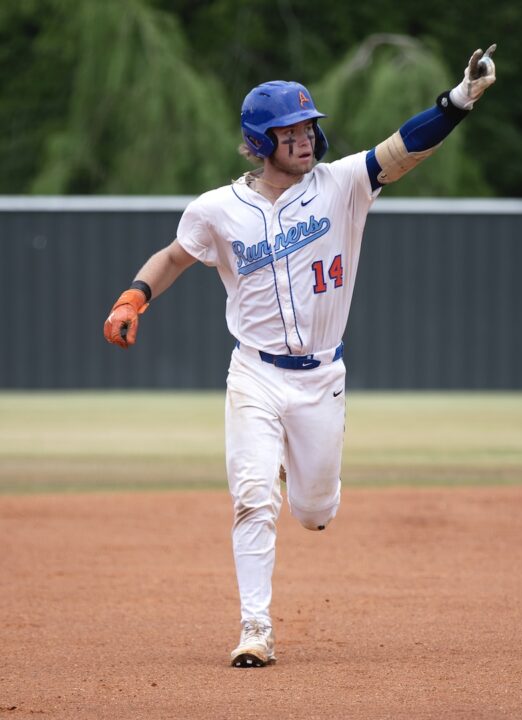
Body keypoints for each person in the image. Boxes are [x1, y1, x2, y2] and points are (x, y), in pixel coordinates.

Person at [104, 45, 497, 668]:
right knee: (253, 497)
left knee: (314, 512)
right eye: (288, 130)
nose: (304, 138)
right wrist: (134, 295)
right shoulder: (217, 209)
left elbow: (404, 147)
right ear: (261, 141)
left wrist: (458, 100)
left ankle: (305, 480)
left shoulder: (343, 184)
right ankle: (255, 629)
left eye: (307, 126)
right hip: (254, 372)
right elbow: (175, 255)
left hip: (322, 377)